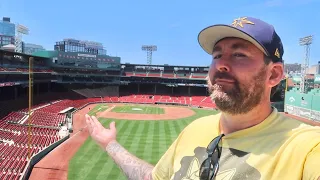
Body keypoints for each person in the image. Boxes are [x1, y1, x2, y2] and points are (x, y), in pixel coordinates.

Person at [85, 16, 320, 180]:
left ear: (274, 74)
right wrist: (110, 144)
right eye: (217, 55)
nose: (221, 64)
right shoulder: (194, 129)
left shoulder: (306, 146)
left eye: (239, 54)